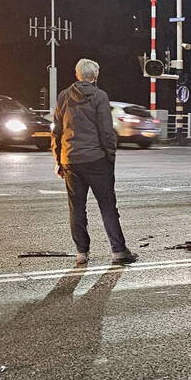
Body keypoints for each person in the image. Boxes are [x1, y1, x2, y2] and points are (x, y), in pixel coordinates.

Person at [52, 58, 138, 267]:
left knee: (77, 208)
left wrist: (58, 159)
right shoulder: (100, 97)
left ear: (77, 74)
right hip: (96, 159)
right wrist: (110, 155)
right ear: (95, 76)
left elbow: (56, 131)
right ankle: (118, 250)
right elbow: (106, 131)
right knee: (108, 206)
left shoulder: (64, 96)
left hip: (71, 159)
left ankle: (82, 252)